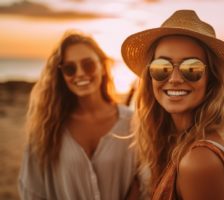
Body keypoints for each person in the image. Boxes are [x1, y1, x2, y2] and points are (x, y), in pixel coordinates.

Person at [121, 10, 224, 200]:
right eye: (162, 67)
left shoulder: (199, 160)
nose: (175, 79)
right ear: (150, 77)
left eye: (191, 68)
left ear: (211, 78)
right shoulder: (182, 142)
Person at [19, 30, 137, 200]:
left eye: (88, 64)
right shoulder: (46, 127)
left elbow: (142, 183)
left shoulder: (132, 123)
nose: (80, 73)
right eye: (69, 68)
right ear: (61, 75)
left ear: (103, 67)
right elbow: (32, 190)